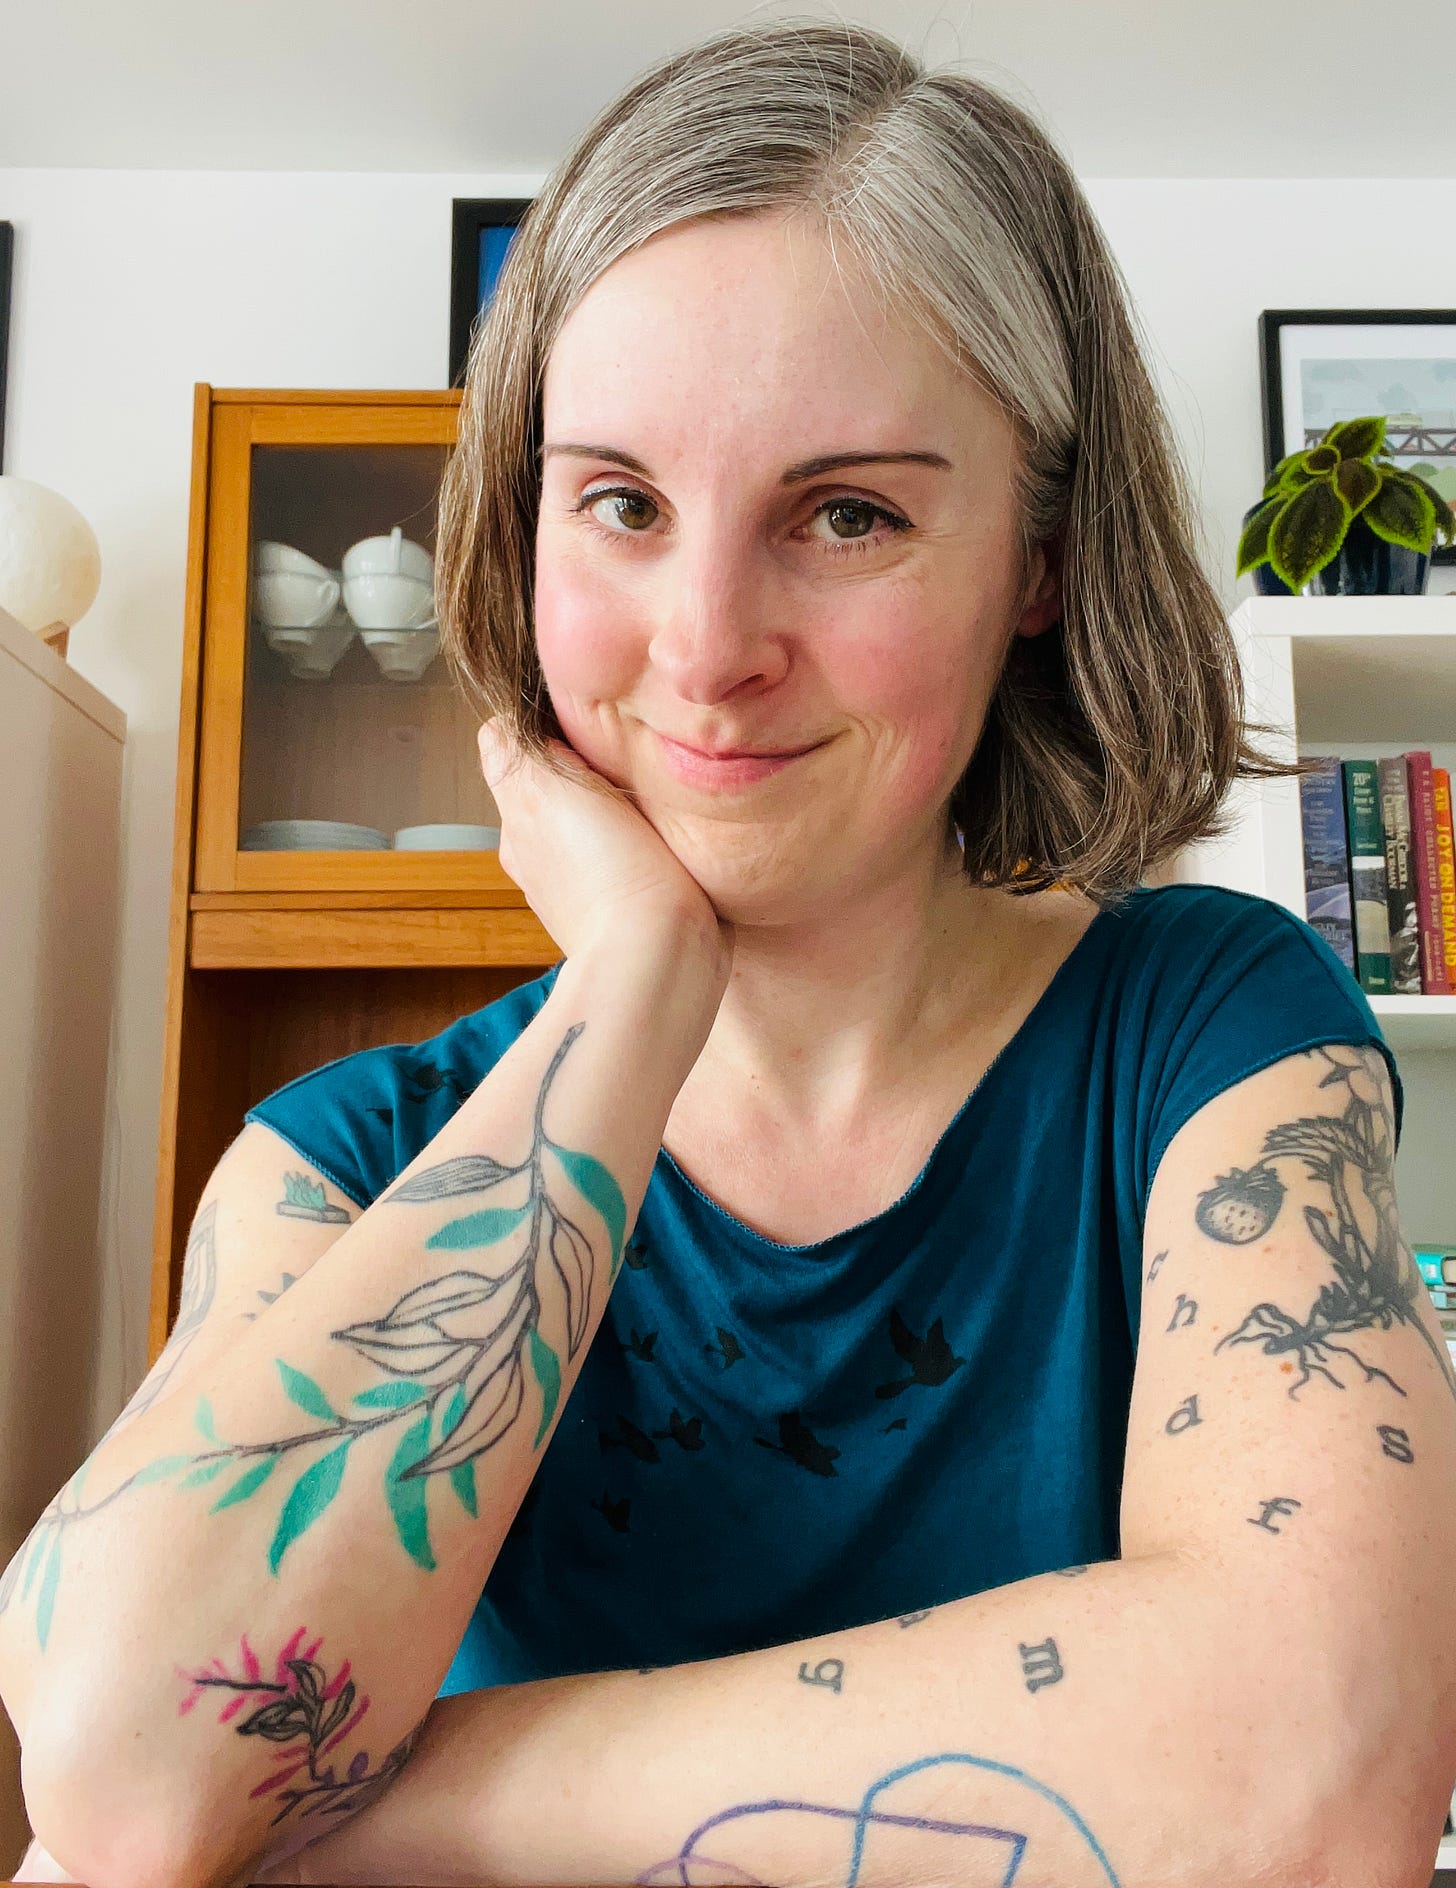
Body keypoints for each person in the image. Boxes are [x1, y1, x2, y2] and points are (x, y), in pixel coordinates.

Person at [7, 19, 1456, 1888]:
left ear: (1036, 560)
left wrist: (377, 1808)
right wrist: (630, 992)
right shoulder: (334, 1161)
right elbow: (126, 1784)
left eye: (847, 514)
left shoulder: (1211, 1031)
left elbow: (1314, 1775)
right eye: (619, 503)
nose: (705, 647)